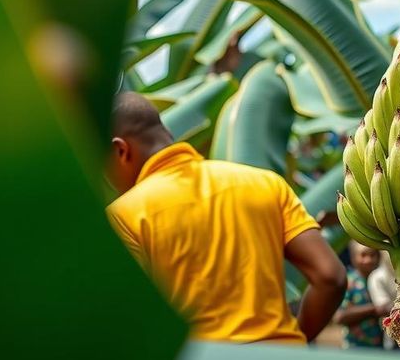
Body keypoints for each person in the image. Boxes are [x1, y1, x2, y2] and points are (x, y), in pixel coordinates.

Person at [105, 92, 346, 344]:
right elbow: (331, 277)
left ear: (120, 150)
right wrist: (291, 342)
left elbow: (128, 324)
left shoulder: (122, 217)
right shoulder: (264, 183)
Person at [334, 242, 388, 349]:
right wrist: (373, 310)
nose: (368, 260)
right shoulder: (348, 282)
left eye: (372, 255)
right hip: (355, 347)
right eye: (363, 255)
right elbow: (339, 316)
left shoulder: (383, 281)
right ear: (353, 258)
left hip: (381, 348)